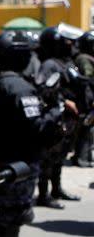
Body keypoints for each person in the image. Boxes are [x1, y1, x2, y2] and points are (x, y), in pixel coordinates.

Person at [0, 31, 64, 237]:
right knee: (12, 214)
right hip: (18, 161)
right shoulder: (18, 86)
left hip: (6, 157)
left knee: (12, 213)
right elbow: (37, 126)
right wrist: (54, 111)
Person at [34, 24, 85, 207]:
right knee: (47, 159)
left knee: (59, 158)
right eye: (66, 42)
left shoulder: (66, 62)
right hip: (55, 118)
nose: (70, 44)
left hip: (68, 120)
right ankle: (44, 195)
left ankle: (56, 189)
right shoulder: (49, 64)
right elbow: (44, 89)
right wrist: (64, 102)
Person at [73, 30, 94, 166]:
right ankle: (81, 158)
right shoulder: (83, 58)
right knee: (86, 129)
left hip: (88, 97)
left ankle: (84, 156)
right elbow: (88, 76)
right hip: (86, 99)